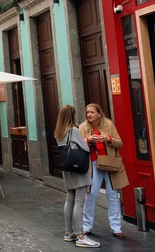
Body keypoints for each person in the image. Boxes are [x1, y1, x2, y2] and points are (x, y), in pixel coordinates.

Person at [79, 103, 127, 240]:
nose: (89, 115)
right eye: (87, 112)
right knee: (91, 194)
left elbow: (120, 143)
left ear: (99, 114)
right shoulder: (83, 127)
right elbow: (78, 146)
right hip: (94, 164)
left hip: (110, 163)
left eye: (92, 112)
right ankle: (86, 227)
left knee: (113, 195)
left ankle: (116, 228)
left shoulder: (108, 124)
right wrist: (88, 140)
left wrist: (108, 139)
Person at [55, 105, 99, 248]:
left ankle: (68, 232)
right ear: (72, 116)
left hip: (67, 169)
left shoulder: (59, 131)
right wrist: (87, 139)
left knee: (69, 199)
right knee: (79, 201)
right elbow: (85, 148)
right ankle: (80, 236)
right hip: (78, 168)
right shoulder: (73, 130)